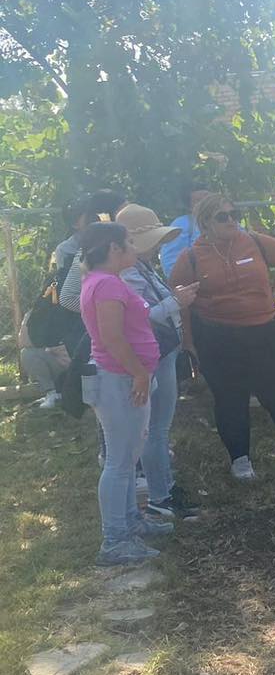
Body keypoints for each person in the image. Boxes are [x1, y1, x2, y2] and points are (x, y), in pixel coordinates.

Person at [170, 193, 275, 480]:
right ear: (206, 222)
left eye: (235, 214)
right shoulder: (191, 257)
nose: (232, 221)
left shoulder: (253, 241)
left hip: (265, 332)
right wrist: (189, 343)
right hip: (219, 338)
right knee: (230, 398)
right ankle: (240, 459)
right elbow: (181, 304)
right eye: (223, 216)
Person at [76, 222, 174, 566]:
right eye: (129, 243)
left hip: (124, 378)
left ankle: (131, 520)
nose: (135, 248)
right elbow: (112, 338)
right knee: (119, 462)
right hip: (120, 380)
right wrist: (138, 374)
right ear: (114, 249)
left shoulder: (105, 282)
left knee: (127, 458)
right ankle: (114, 540)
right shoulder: (105, 285)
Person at [115, 204, 200, 522]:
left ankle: (164, 490)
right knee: (156, 430)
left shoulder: (143, 266)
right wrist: (175, 302)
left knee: (159, 428)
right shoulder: (128, 272)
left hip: (163, 352)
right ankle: (161, 496)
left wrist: (172, 298)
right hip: (153, 354)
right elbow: (142, 316)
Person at [19, 309, 69, 409]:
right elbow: (23, 342)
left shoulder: (76, 308)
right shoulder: (35, 312)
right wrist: (49, 348)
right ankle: (52, 393)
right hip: (54, 359)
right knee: (27, 354)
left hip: (78, 362)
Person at [159, 181, 210, 277]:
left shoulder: (229, 219)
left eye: (208, 199)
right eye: (199, 200)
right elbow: (170, 263)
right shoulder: (182, 224)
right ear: (190, 206)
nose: (206, 203)